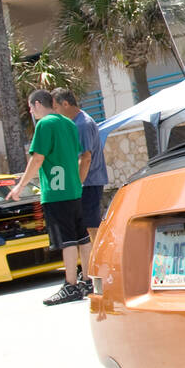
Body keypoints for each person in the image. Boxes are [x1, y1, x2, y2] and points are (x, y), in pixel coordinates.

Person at [6, 90, 90, 305]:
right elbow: (81, 155)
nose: (31, 112)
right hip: (73, 188)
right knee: (82, 237)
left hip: (55, 191)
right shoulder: (69, 123)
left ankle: (71, 285)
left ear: (36, 104)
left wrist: (20, 187)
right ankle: (88, 280)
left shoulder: (44, 125)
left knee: (67, 240)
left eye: (30, 107)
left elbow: (37, 159)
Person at [53, 88, 108, 249]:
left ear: (65, 103)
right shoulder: (76, 123)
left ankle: (98, 264)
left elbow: (85, 157)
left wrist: (76, 185)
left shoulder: (82, 124)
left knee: (91, 226)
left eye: (56, 108)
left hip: (88, 183)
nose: (56, 113)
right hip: (86, 182)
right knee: (85, 227)